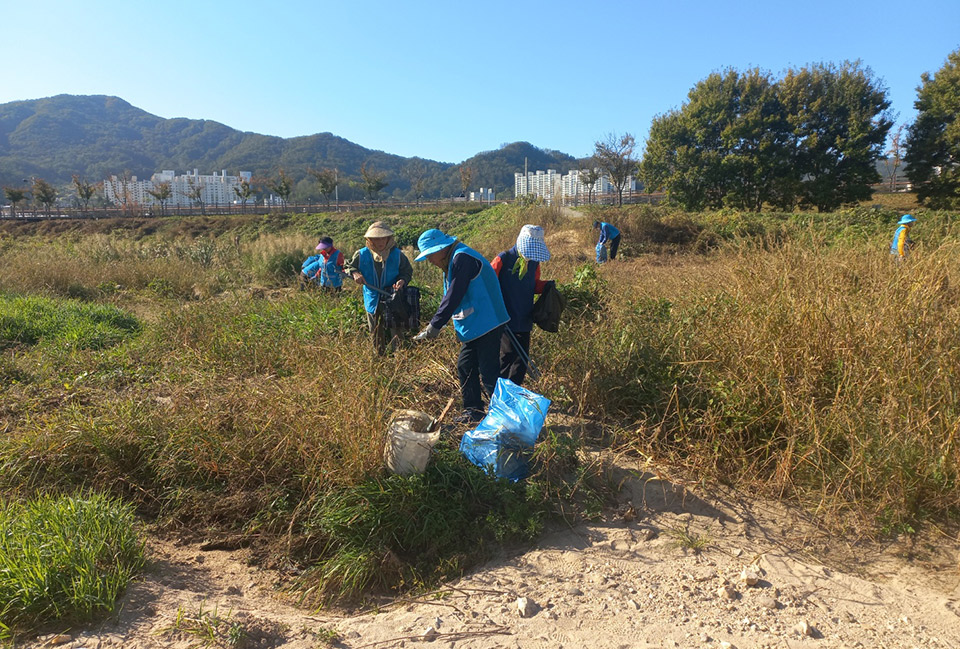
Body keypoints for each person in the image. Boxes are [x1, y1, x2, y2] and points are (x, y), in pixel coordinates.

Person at [413, 229, 510, 423]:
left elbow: (454, 295)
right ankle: (473, 410)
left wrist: (435, 326)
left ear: (441, 248)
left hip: (487, 322)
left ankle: (506, 417)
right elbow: (450, 296)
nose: (430, 260)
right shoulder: (451, 260)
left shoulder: (461, 258)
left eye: (431, 255)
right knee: (465, 365)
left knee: (488, 371)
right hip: (476, 325)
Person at [491, 224, 550, 386]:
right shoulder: (503, 258)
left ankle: (513, 391)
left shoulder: (534, 263)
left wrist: (547, 286)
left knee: (522, 358)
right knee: (507, 355)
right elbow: (488, 284)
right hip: (504, 317)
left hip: (524, 316)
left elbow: (534, 284)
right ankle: (497, 391)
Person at [344, 221, 413, 355]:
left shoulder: (397, 255)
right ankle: (379, 357)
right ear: (370, 240)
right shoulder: (362, 254)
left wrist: (402, 280)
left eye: (383, 238)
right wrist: (355, 273)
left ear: (389, 239)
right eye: (376, 239)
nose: (380, 241)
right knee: (375, 330)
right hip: (372, 298)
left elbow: (406, 271)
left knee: (396, 328)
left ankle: (399, 357)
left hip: (392, 297)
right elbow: (348, 266)